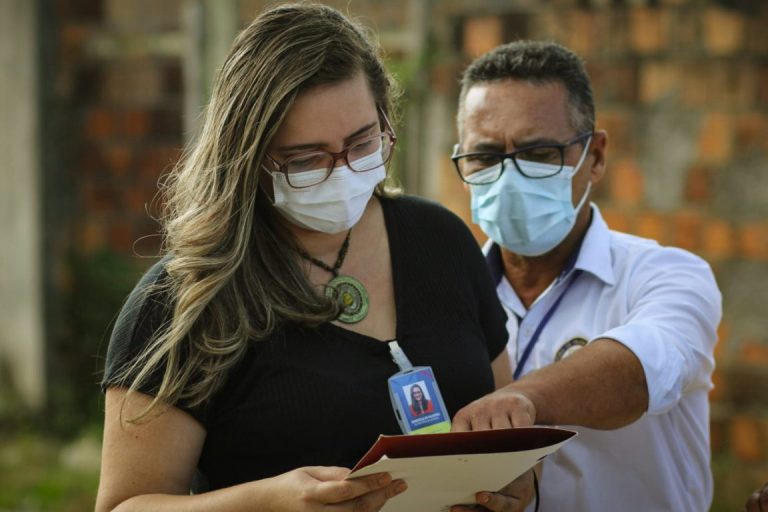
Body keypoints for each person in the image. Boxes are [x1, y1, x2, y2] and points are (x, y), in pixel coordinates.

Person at [96, 4, 531, 511]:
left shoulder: (441, 241)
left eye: (362, 142)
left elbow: (503, 420)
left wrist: (520, 483)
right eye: (306, 159)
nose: (343, 173)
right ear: (248, 158)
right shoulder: (186, 300)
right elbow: (124, 507)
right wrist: (267, 504)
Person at [450, 40, 722, 511]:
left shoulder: (667, 276)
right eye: (487, 157)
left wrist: (517, 402)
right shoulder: (445, 295)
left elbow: (640, 371)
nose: (509, 177)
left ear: (594, 156)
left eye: (539, 153)